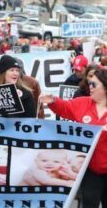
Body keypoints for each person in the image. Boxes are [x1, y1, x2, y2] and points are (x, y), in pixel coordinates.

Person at [40, 69, 107, 208]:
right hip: (90, 168)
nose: (90, 87)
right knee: (89, 202)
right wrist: (52, 101)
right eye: (89, 84)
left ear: (105, 87)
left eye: (94, 84)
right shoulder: (83, 103)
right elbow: (65, 107)